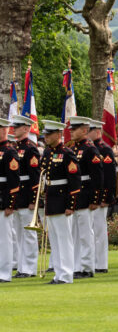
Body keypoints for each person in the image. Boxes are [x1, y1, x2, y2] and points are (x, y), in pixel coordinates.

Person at [39, 120, 80, 284]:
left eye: (49, 134)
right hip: (51, 198)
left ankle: (67, 274)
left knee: (64, 239)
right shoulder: (48, 153)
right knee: (55, 241)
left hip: (63, 200)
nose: (46, 137)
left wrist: (71, 205)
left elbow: (75, 181)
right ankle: (58, 273)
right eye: (45, 134)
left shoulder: (67, 153)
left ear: (58, 134)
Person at [68, 116, 104, 280]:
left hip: (85, 194)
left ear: (84, 130)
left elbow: (98, 177)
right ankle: (77, 266)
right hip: (75, 195)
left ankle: (87, 266)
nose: (71, 132)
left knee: (85, 233)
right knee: (75, 234)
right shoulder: (73, 149)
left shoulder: (91, 149)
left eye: (74, 129)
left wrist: (95, 199)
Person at [9, 115, 39, 279]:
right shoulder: (14, 148)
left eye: (18, 127)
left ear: (26, 128)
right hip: (17, 196)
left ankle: (29, 268)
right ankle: (22, 266)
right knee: (18, 234)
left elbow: (35, 177)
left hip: (27, 195)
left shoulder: (30, 149)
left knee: (28, 234)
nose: (14, 129)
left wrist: (33, 200)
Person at [88, 119, 116, 274]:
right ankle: (90, 261)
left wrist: (106, 198)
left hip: (100, 197)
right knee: (88, 231)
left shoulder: (105, 150)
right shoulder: (87, 149)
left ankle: (101, 263)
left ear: (97, 131)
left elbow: (110, 177)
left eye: (89, 130)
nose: (87, 133)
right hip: (89, 195)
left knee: (99, 230)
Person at [0, 118, 20, 283]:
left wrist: (10, 203)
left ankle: (4, 273)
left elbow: (13, 181)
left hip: (2, 199)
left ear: (4, 130)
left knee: (4, 238)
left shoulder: (9, 152)